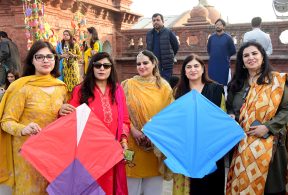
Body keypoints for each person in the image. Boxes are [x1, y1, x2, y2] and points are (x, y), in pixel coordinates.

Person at [226, 42, 288, 195]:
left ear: (263, 57)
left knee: (270, 188)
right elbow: (231, 107)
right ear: (242, 62)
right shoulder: (236, 84)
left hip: (270, 145)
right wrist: (232, 115)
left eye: (254, 53)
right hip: (241, 146)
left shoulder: (277, 81)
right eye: (246, 55)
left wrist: (268, 127)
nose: (250, 57)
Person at [0, 40, 67, 194]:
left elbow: (64, 122)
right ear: (32, 60)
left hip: (54, 152)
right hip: (27, 154)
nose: (45, 60)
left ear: (55, 60)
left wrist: (63, 110)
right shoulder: (22, 87)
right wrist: (24, 129)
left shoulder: (60, 87)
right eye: (40, 57)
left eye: (49, 57)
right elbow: (6, 122)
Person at [59, 52, 130, 195]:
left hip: (112, 151)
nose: (102, 69)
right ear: (92, 68)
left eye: (106, 65)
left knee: (109, 188)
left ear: (111, 69)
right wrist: (62, 111)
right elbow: (69, 118)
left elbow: (124, 120)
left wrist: (123, 139)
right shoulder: (81, 89)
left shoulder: (118, 90)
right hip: (88, 152)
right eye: (97, 65)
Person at [172, 54, 226, 195]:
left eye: (196, 66)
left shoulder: (215, 89)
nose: (193, 69)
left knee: (210, 187)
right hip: (186, 149)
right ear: (184, 71)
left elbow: (222, 118)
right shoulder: (179, 92)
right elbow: (173, 120)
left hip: (210, 150)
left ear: (203, 69)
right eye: (188, 67)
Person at [122, 50, 173, 195]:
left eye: (145, 63)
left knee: (153, 189)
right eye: (138, 64)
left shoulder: (163, 87)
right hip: (132, 142)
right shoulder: (128, 85)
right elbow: (121, 112)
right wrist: (133, 130)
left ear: (154, 63)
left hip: (155, 145)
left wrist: (153, 135)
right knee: (130, 186)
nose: (141, 66)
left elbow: (169, 115)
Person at [146, 13, 179, 82]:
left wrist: (170, 56)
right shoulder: (149, 34)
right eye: (154, 20)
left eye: (158, 20)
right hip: (153, 65)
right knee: (154, 84)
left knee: (165, 84)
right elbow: (148, 49)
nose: (156, 22)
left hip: (166, 65)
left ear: (163, 21)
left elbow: (176, 46)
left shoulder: (168, 32)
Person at [207, 18, 236, 87]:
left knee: (223, 85)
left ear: (223, 26)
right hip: (213, 64)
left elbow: (233, 50)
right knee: (212, 83)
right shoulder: (211, 38)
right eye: (216, 24)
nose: (218, 26)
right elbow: (209, 50)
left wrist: (225, 56)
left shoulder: (228, 38)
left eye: (220, 25)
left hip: (224, 64)